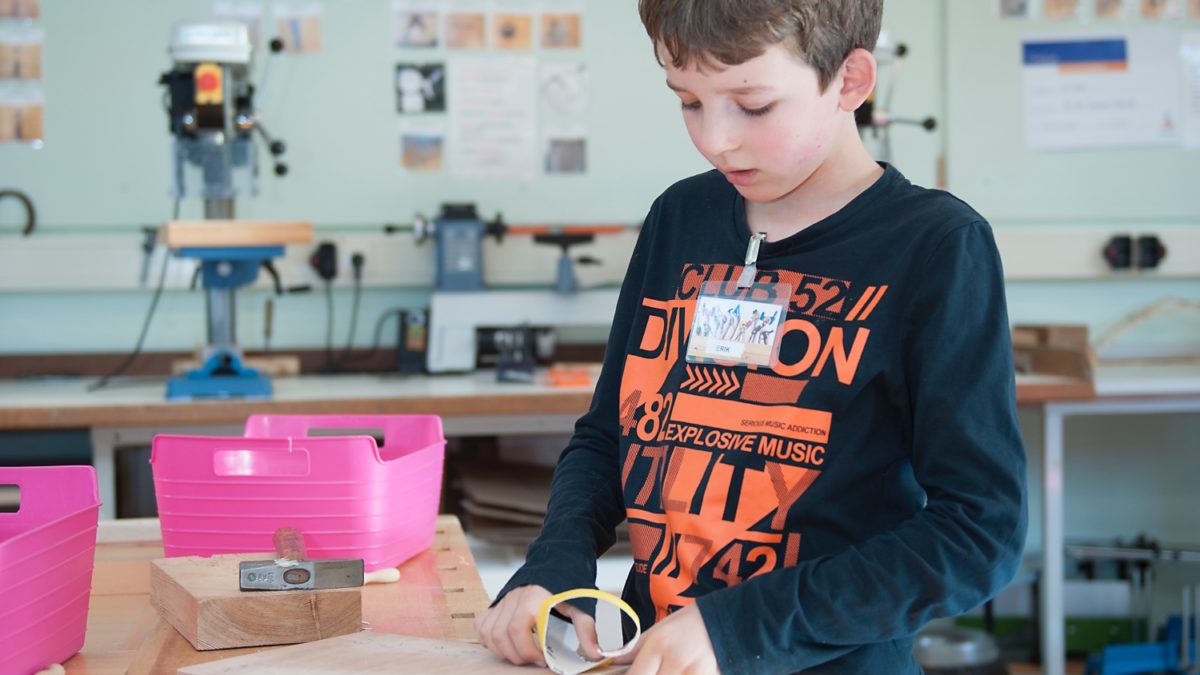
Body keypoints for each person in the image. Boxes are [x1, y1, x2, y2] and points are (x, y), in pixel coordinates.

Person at [475, 1, 1027, 672]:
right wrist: (556, 562)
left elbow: (978, 531)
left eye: (754, 105)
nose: (716, 140)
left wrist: (740, 625)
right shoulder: (681, 218)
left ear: (850, 81)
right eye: (688, 101)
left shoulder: (935, 248)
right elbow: (607, 435)